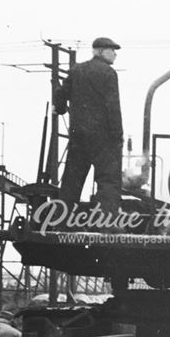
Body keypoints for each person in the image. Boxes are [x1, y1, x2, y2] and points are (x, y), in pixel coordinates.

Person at [54, 37, 124, 222]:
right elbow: (112, 107)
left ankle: (62, 223)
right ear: (100, 51)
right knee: (108, 181)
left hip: (79, 135)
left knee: (71, 181)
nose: (115, 54)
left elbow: (60, 93)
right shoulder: (108, 73)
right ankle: (107, 225)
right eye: (112, 50)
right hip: (103, 137)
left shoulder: (77, 69)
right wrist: (118, 136)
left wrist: (60, 108)